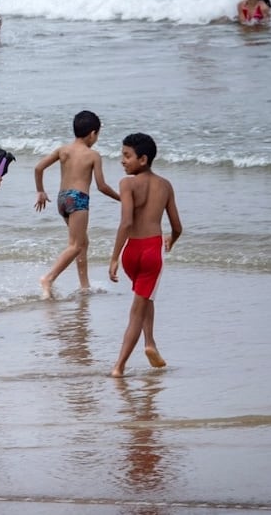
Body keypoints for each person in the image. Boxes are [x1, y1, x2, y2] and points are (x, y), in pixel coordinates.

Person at [108, 133, 182, 378]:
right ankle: (119, 366)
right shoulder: (165, 185)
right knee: (137, 310)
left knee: (144, 297)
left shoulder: (127, 184)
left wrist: (115, 256)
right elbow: (177, 227)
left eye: (127, 156)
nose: (122, 160)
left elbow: (126, 222)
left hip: (131, 252)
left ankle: (150, 342)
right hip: (152, 251)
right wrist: (171, 239)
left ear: (143, 159)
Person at [33, 110, 121, 298]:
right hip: (79, 199)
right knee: (75, 245)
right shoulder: (93, 155)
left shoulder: (63, 150)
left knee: (82, 242)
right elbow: (102, 186)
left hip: (62, 199)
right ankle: (48, 278)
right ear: (92, 134)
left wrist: (40, 191)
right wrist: (122, 198)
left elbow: (38, 167)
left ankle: (84, 285)